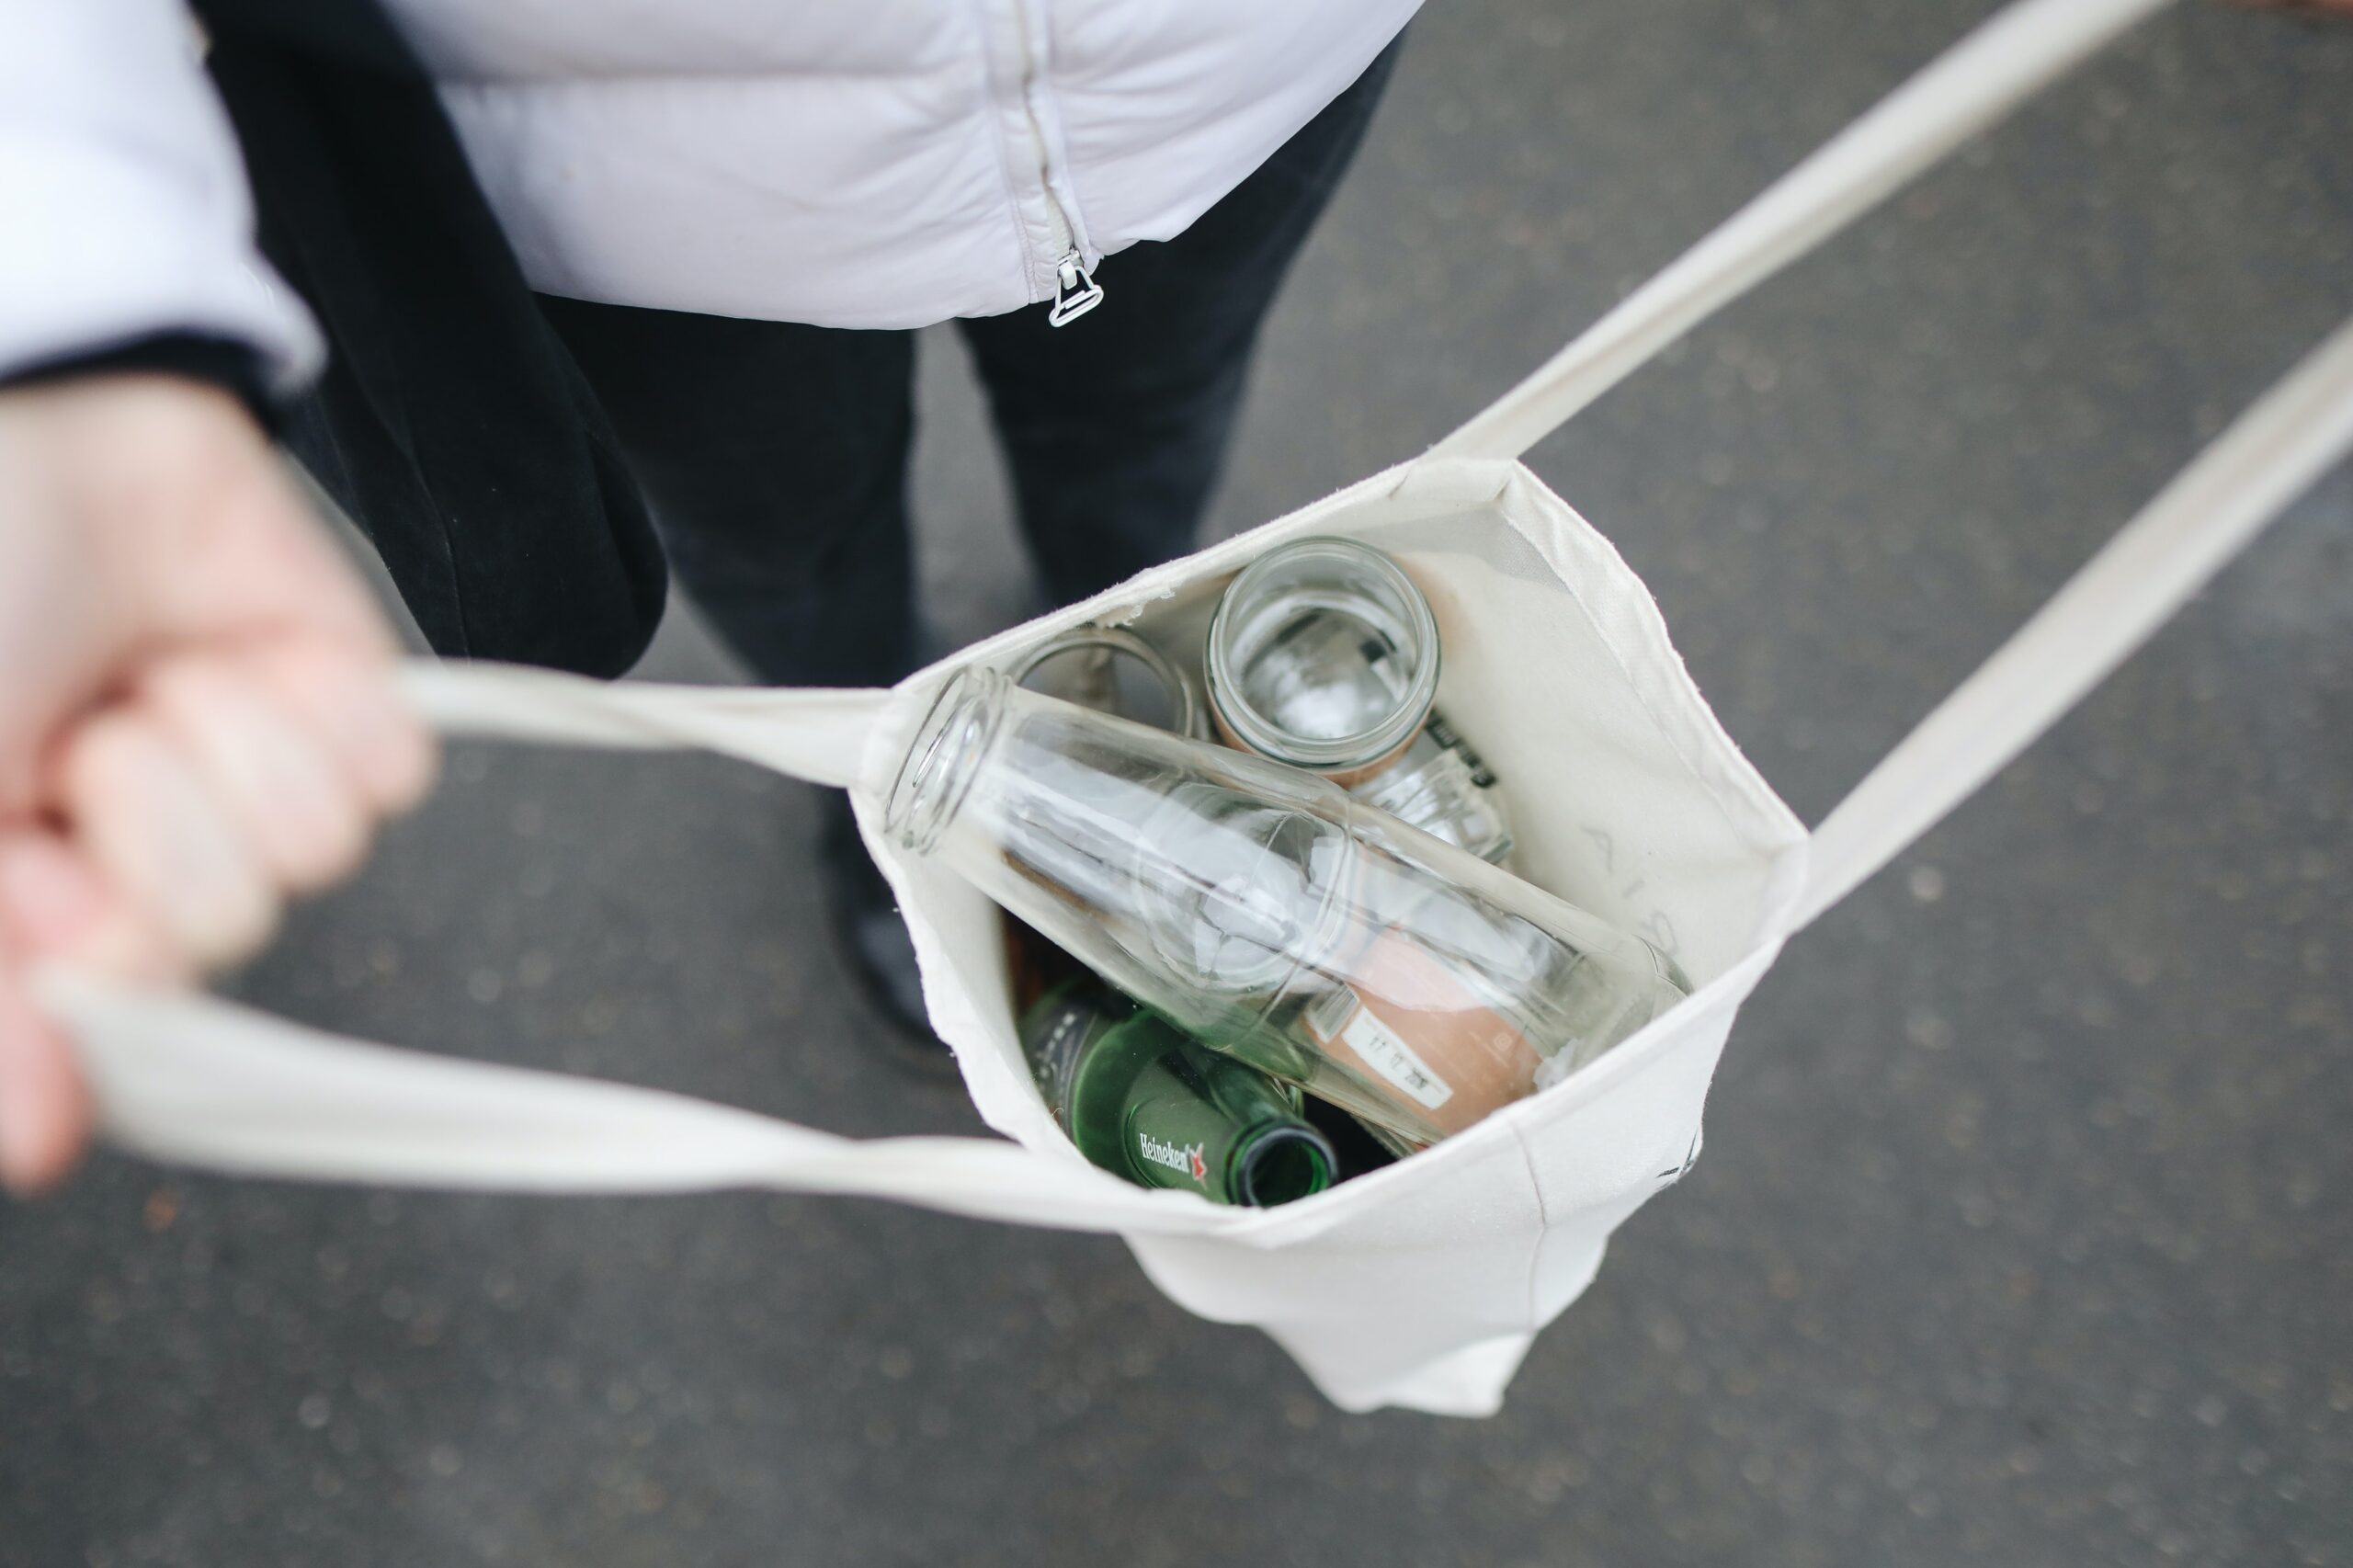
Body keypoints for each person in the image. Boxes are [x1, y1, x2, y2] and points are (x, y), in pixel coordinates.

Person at [0, 0, 1415, 1191]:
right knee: (793, 552)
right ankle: (882, 774)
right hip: (642, 180)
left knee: (1146, 455)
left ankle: (1136, 679)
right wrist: (70, 293)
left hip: (1231, 72)